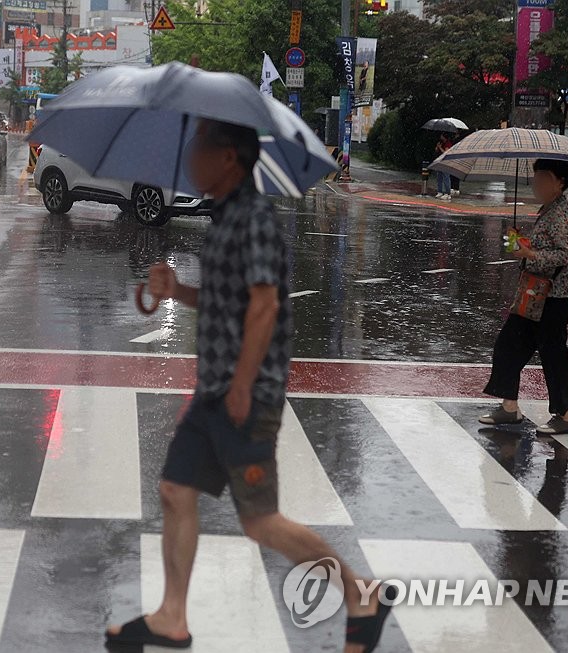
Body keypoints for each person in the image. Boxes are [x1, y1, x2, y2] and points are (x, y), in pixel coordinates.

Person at [105, 119, 395, 653]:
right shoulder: (224, 219)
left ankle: (360, 593)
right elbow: (228, 303)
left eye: (200, 149)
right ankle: (172, 616)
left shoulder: (255, 218)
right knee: (174, 491)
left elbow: (264, 305)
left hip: (245, 394)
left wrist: (242, 386)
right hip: (213, 389)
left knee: (260, 521)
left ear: (230, 158)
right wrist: (177, 291)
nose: (191, 159)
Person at [480, 159, 568, 435]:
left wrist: (530, 253)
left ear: (560, 182)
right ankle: (509, 408)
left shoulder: (561, 214)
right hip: (533, 294)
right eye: (535, 178)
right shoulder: (548, 210)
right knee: (508, 345)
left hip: (554, 297)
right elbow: (546, 249)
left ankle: (564, 416)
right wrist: (523, 245)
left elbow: (566, 255)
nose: (536, 184)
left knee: (553, 354)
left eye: (543, 179)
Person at [434, 133, 454, 200]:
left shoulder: (448, 143)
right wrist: (437, 147)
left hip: (446, 162)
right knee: (439, 177)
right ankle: (439, 191)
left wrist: (440, 147)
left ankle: (447, 193)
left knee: (446, 177)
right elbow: (436, 151)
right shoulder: (441, 143)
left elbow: (446, 153)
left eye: (441, 135)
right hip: (439, 162)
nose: (440, 137)